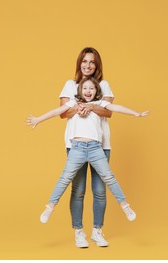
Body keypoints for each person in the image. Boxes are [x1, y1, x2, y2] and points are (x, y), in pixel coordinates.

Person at [26, 77, 149, 247]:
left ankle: (125, 206)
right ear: (79, 91)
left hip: (96, 149)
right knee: (65, 179)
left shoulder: (100, 104)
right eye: (85, 88)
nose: (88, 91)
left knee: (109, 178)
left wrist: (135, 113)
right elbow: (56, 112)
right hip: (76, 149)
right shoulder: (73, 104)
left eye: (92, 88)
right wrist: (38, 120)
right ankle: (50, 207)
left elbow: (115, 107)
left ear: (96, 91)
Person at [59, 47, 115, 248]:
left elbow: (107, 112)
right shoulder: (69, 85)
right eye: (84, 61)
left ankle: (97, 231)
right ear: (79, 63)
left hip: (101, 144)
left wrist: (90, 106)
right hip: (75, 144)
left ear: (97, 65)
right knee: (78, 189)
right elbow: (63, 113)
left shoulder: (104, 85)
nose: (88, 65)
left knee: (100, 190)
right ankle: (79, 232)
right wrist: (79, 107)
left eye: (92, 62)